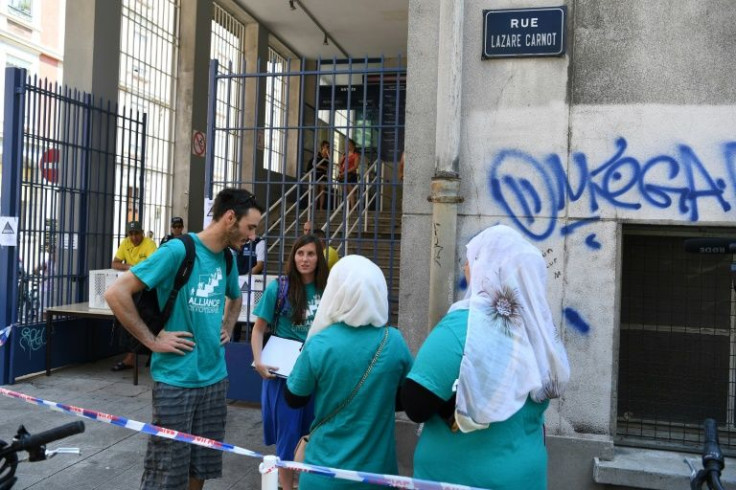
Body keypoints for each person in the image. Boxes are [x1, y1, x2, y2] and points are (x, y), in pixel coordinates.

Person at [104, 188, 263, 490]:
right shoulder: (178, 251)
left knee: (201, 464)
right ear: (230, 218)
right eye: (250, 227)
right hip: (176, 381)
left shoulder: (227, 259)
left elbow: (235, 297)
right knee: (166, 471)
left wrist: (228, 325)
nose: (253, 236)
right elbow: (116, 293)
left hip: (215, 380)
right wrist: (152, 341)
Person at [400, 225, 571, 489]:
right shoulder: (539, 329)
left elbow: (416, 404)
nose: (467, 269)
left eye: (472, 261)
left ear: (491, 268)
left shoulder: (463, 327)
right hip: (526, 474)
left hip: (463, 478)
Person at [285, 255, 413, 490]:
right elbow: (407, 400)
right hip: (377, 476)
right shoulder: (394, 341)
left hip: (323, 473)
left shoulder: (320, 343)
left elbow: (294, 398)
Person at [251, 234, 328, 490]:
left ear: (320, 258)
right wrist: (258, 361)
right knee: (287, 435)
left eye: (311, 254)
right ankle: (286, 486)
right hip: (284, 376)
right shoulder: (279, 287)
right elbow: (258, 329)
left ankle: (302, 481)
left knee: (313, 432)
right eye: (300, 253)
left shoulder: (328, 289)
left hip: (318, 374)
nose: (304, 259)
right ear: (292, 256)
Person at [110, 220, 158, 371]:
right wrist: (130, 267)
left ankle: (153, 353)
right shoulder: (125, 243)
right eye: (131, 234)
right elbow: (115, 263)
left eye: (137, 233)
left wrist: (136, 270)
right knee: (126, 318)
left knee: (150, 317)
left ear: (142, 233)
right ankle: (131, 356)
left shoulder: (149, 244)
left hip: (149, 287)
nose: (134, 237)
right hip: (131, 288)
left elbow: (153, 265)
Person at [338, 139, 359, 209]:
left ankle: (352, 208)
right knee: (345, 192)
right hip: (343, 175)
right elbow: (339, 164)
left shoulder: (355, 155)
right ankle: (346, 208)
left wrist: (347, 171)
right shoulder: (344, 154)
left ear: (353, 145)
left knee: (351, 191)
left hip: (351, 175)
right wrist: (341, 171)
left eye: (349, 144)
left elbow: (355, 166)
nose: (347, 146)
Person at [310, 140, 331, 210]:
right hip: (317, 174)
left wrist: (327, 154)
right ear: (322, 147)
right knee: (315, 191)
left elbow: (329, 164)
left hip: (323, 175)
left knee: (322, 191)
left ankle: (321, 207)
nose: (327, 148)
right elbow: (314, 164)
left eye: (328, 147)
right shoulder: (318, 155)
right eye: (326, 146)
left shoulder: (328, 156)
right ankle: (314, 206)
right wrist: (322, 167)